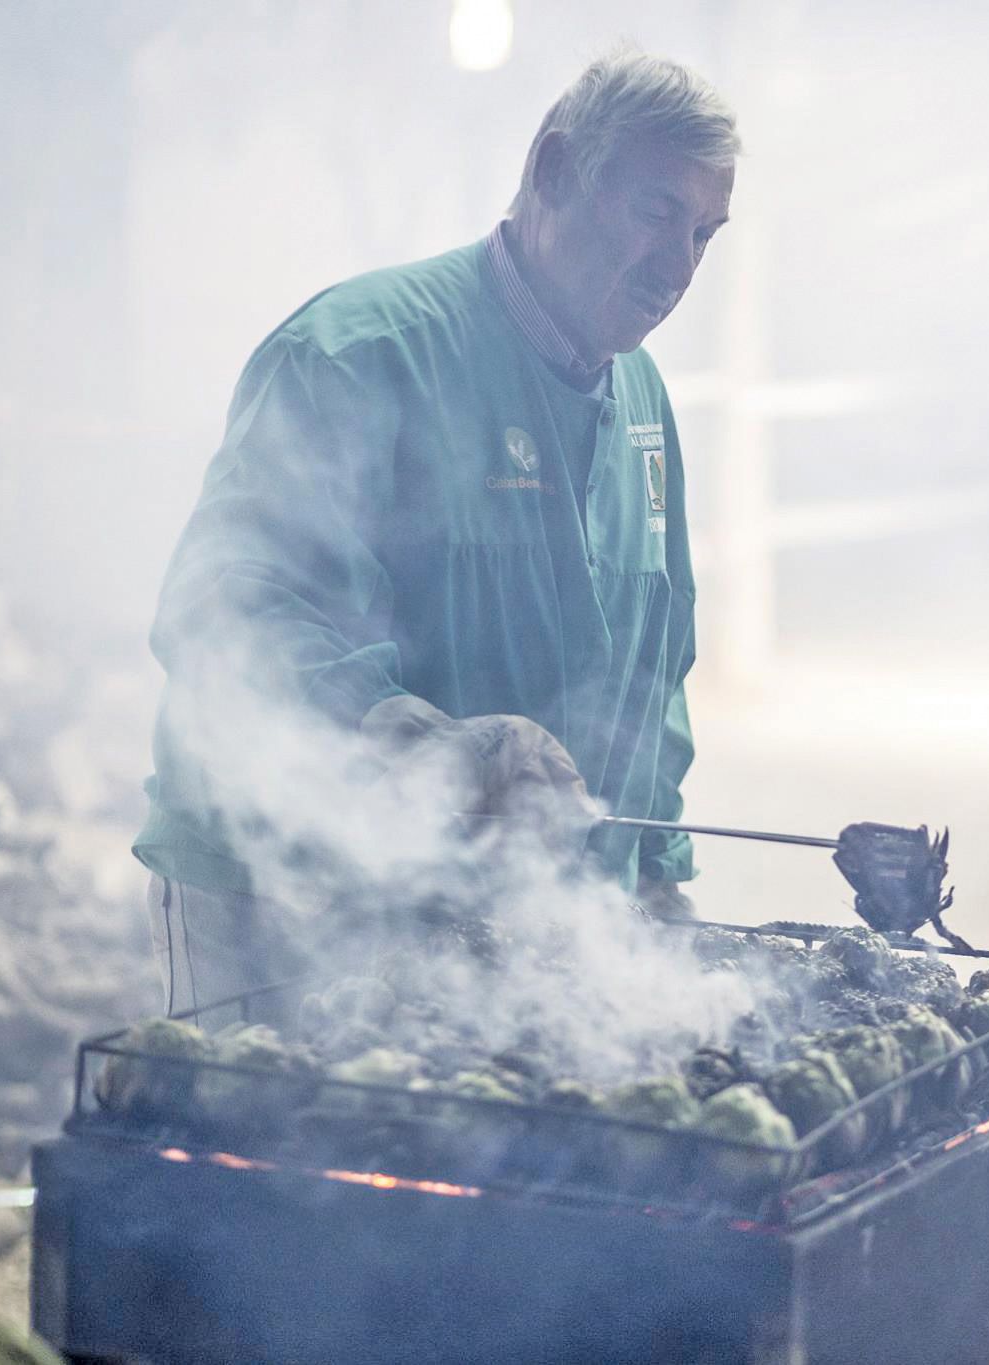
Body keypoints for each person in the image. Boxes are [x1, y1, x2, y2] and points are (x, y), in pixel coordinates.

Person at [133, 49, 738, 1017]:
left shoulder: (642, 403)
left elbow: (653, 674)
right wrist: (416, 739)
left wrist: (656, 889)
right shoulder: (356, 356)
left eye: (704, 234)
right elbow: (223, 608)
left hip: (515, 926)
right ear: (551, 170)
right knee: (292, 1166)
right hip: (284, 909)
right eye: (655, 213)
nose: (678, 268)